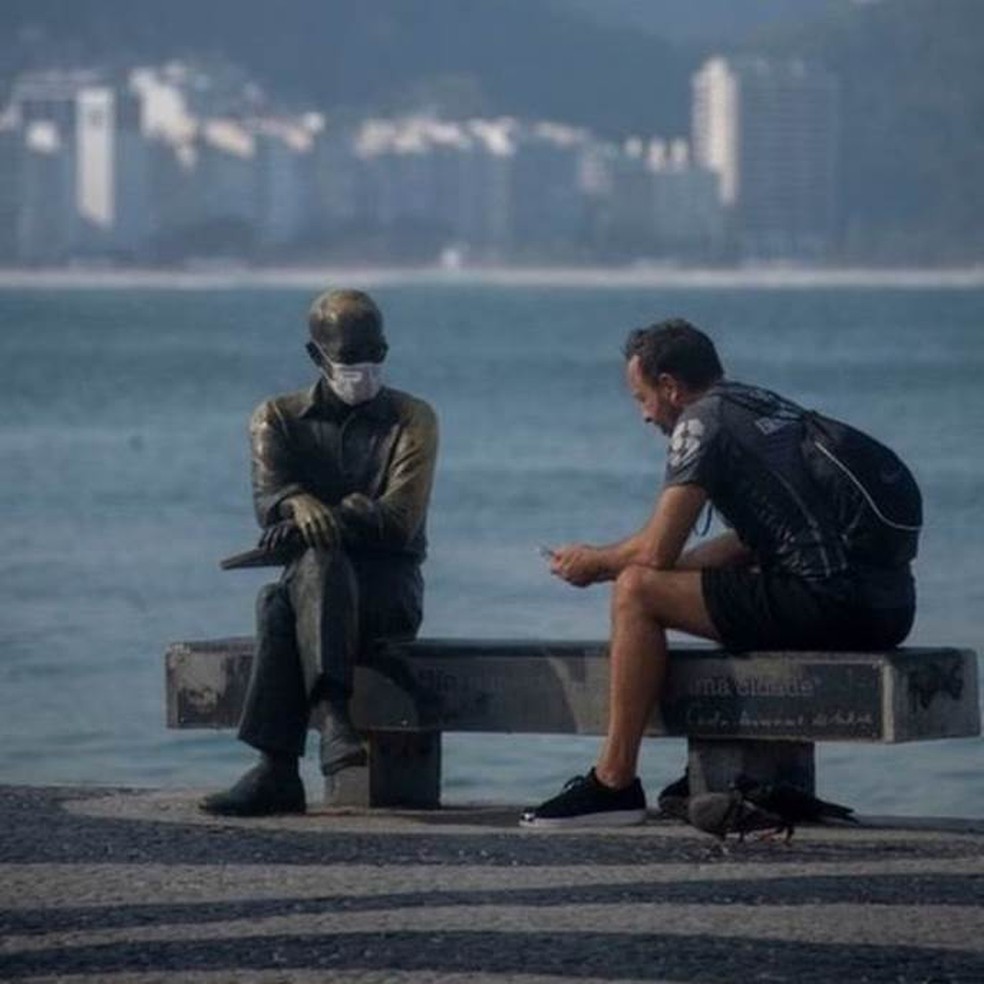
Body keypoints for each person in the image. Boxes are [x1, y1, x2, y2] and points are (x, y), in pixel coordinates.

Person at [521, 318, 916, 828]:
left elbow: (656, 550)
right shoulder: (763, 406)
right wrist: (672, 583)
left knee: (634, 592)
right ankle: (711, 774)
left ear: (670, 387)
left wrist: (595, 563)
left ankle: (613, 782)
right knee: (656, 585)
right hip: (888, 607)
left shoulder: (701, 421)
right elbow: (749, 545)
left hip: (828, 603)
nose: (644, 416)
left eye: (642, 398)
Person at [201, 289, 438, 816]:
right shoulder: (276, 418)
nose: (365, 368)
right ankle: (322, 728)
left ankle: (282, 765)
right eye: (350, 358)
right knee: (287, 592)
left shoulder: (413, 419)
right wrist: (297, 502)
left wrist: (323, 516)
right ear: (317, 356)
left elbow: (399, 524)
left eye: (375, 354)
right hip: (315, 594)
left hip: (387, 598)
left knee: (284, 595)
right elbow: (269, 501)